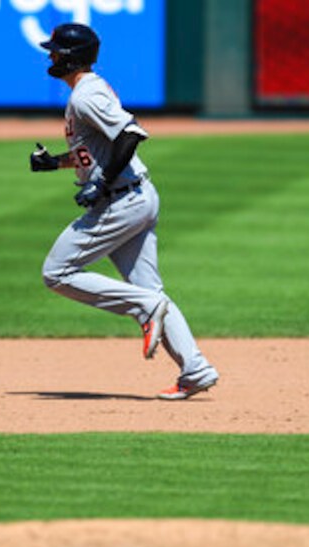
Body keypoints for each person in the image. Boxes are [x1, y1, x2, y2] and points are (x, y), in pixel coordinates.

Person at [30, 23, 219, 400]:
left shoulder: (86, 96)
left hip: (121, 201)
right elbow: (95, 154)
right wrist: (55, 163)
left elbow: (130, 134)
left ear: (72, 57)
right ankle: (195, 368)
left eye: (55, 51)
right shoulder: (85, 93)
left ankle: (146, 309)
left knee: (57, 271)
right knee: (152, 290)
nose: (50, 55)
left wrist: (102, 183)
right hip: (134, 196)